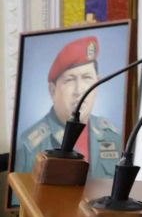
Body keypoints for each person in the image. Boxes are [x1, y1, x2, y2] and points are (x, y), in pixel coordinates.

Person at [16, 35, 122, 176]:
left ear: (98, 83)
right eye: (70, 80)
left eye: (86, 78)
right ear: (53, 91)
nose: (79, 90)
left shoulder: (113, 136)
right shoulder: (28, 147)